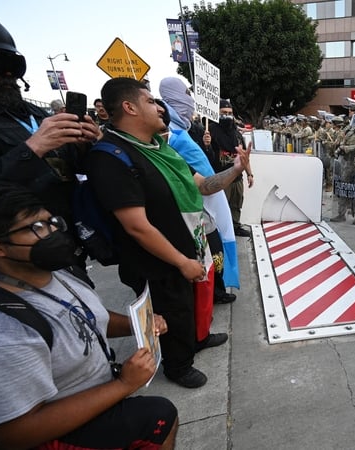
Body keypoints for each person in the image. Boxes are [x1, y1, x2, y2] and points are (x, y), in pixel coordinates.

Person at [0, 182, 178, 449]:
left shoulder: (49, 272)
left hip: (83, 398)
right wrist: (124, 384)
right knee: (158, 416)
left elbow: (85, 317)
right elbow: (15, 434)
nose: (53, 232)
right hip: (40, 436)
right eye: (37, 228)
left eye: (51, 221)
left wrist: (136, 325)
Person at [85, 77, 249, 388]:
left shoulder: (160, 149)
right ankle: (178, 365)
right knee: (170, 312)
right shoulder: (111, 156)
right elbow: (137, 226)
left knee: (186, 306)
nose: (159, 106)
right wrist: (180, 262)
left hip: (186, 247)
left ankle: (195, 341)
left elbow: (204, 185)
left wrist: (237, 169)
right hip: (156, 262)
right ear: (129, 107)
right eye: (149, 101)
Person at [0, 3, 100, 291]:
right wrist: (32, 149)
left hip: (62, 244)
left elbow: (66, 169)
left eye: (13, 64)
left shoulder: (29, 111)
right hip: (11, 265)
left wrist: (84, 146)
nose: (6, 73)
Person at [158, 78, 239, 306]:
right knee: (210, 246)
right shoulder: (167, 132)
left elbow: (200, 160)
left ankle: (216, 288)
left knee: (217, 242)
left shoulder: (184, 127)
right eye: (185, 93)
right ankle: (213, 292)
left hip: (209, 188)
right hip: (194, 200)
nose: (190, 100)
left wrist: (205, 145)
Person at [206, 98, 252, 237]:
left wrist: (250, 174)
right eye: (223, 112)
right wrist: (206, 143)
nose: (227, 115)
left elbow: (244, 156)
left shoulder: (236, 133)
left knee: (236, 204)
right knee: (221, 207)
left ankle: (235, 226)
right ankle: (220, 230)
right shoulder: (211, 131)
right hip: (220, 177)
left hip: (237, 178)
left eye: (230, 112)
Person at [331, 110, 355, 224]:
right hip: (346, 165)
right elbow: (342, 142)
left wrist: (345, 148)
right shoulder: (350, 131)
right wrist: (339, 149)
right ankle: (341, 213)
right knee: (343, 189)